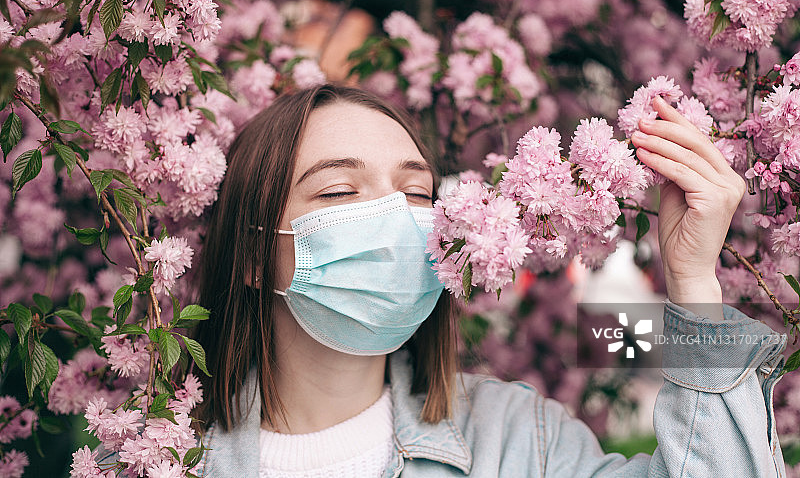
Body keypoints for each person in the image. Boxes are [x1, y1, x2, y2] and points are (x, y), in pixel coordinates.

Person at [189, 84, 787, 477]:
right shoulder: (157, 457)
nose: (395, 218)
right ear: (253, 252)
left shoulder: (523, 442)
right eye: (340, 192)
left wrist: (693, 283)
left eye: (416, 193)